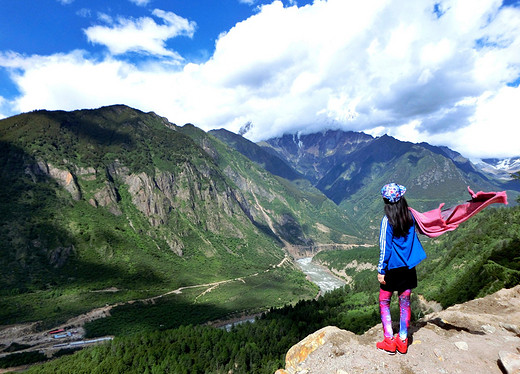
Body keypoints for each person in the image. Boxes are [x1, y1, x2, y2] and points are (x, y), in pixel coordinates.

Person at [376, 183, 426, 355]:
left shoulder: (386, 221)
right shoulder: (410, 216)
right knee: (404, 303)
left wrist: (381, 270)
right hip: (408, 268)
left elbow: (385, 248)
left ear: (385, 201)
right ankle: (403, 340)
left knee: (384, 302)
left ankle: (389, 341)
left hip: (392, 269)